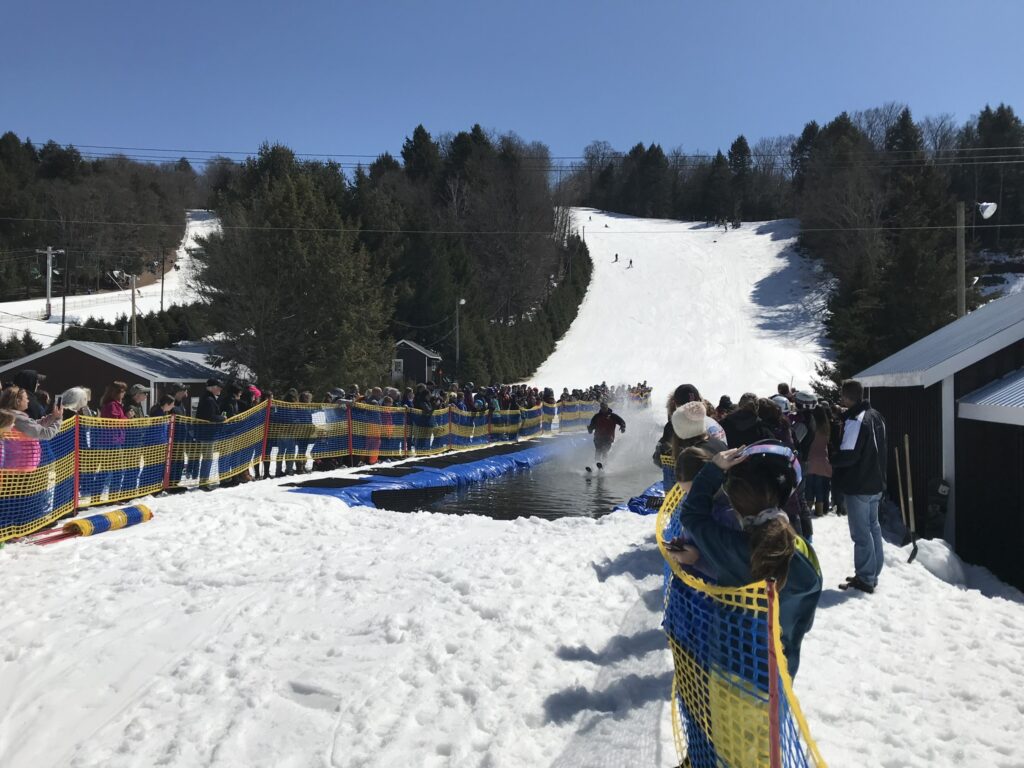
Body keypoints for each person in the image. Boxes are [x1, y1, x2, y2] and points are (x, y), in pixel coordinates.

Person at [678, 443, 822, 676]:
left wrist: (714, 469)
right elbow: (804, 623)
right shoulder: (805, 554)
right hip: (778, 681)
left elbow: (692, 515)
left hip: (729, 678)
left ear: (735, 503)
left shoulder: (732, 547)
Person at [831, 380, 887, 594]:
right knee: (873, 528)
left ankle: (865, 578)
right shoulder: (877, 416)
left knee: (861, 533)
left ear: (846, 397)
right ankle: (873, 572)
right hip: (876, 482)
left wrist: (831, 459)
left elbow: (849, 455)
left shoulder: (856, 420)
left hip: (859, 484)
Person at [804, 405, 833, 518]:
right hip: (823, 458)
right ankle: (819, 510)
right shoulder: (826, 427)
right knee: (820, 486)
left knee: (809, 486)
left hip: (810, 457)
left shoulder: (811, 426)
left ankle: (807, 507)